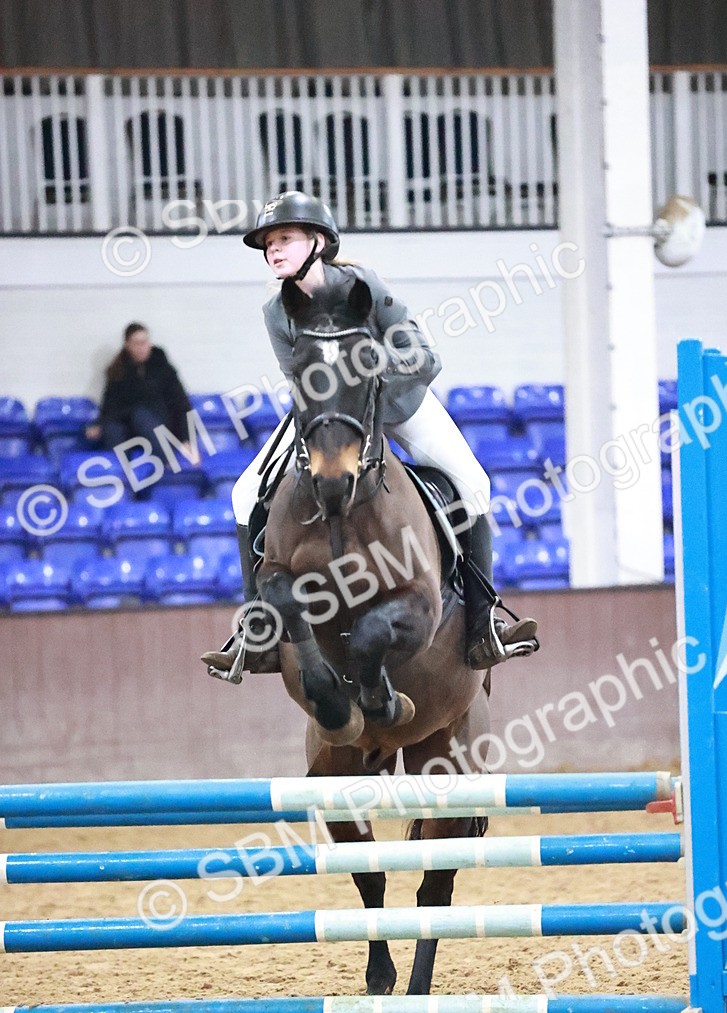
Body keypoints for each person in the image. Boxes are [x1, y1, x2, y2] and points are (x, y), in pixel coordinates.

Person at [202, 191, 538, 682]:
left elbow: (426, 356)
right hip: (327, 415)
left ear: (318, 241)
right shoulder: (277, 312)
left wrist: (369, 382)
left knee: (475, 484)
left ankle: (482, 622)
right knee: (243, 493)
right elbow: (299, 380)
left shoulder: (364, 285)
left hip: (397, 403)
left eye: (285, 238)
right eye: (269, 242)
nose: (274, 249)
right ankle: (260, 631)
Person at [86, 323, 193, 456]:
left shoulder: (163, 368)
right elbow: (110, 404)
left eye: (144, 342)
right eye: (136, 343)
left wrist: (186, 439)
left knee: (140, 415)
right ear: (127, 345)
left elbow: (180, 403)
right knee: (112, 429)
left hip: (158, 424)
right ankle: (121, 473)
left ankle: (166, 459)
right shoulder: (118, 371)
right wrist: (99, 424)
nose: (141, 347)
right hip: (128, 426)